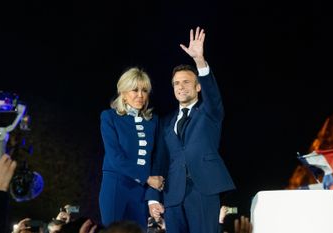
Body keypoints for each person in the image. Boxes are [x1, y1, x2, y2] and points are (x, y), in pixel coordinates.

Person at [146, 26, 236, 233]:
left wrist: (200, 62)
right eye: (176, 83)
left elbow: (213, 96)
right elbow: (160, 161)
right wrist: (152, 198)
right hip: (173, 194)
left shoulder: (209, 112)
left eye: (186, 82)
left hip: (204, 190)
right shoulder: (166, 122)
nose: (181, 86)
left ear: (198, 87)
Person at [99, 67, 164, 229]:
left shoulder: (154, 121)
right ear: (123, 92)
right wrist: (147, 178)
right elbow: (115, 158)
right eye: (135, 90)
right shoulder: (109, 117)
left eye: (144, 90)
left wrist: (152, 195)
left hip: (140, 192)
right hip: (115, 186)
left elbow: (156, 158)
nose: (140, 95)